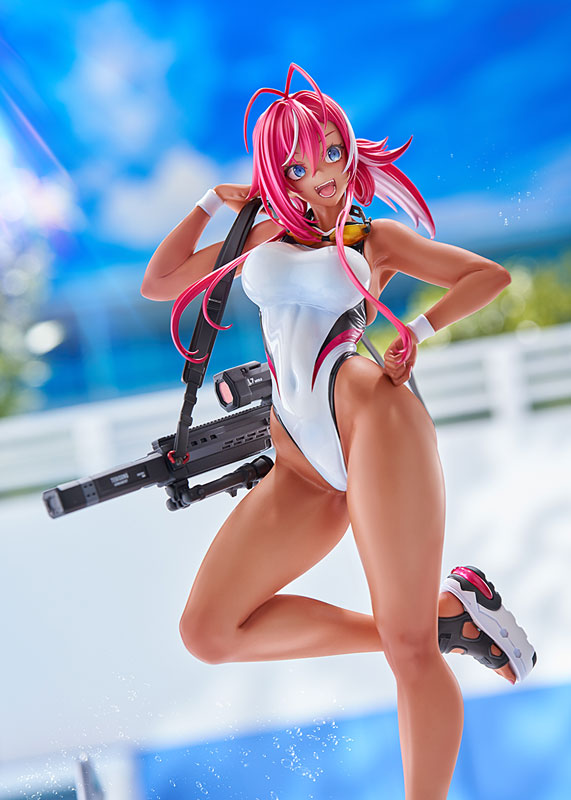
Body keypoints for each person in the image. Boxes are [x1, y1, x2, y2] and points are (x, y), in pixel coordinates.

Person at [141, 64, 535, 799]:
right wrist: (212, 202)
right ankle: (447, 617)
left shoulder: (371, 236)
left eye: (327, 152)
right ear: (276, 174)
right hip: (300, 455)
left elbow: (486, 277)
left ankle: (426, 641)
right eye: (295, 165)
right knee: (210, 633)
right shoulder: (259, 232)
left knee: (408, 653)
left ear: (347, 147)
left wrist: (416, 332)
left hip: (375, 420)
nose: (319, 173)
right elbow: (160, 283)